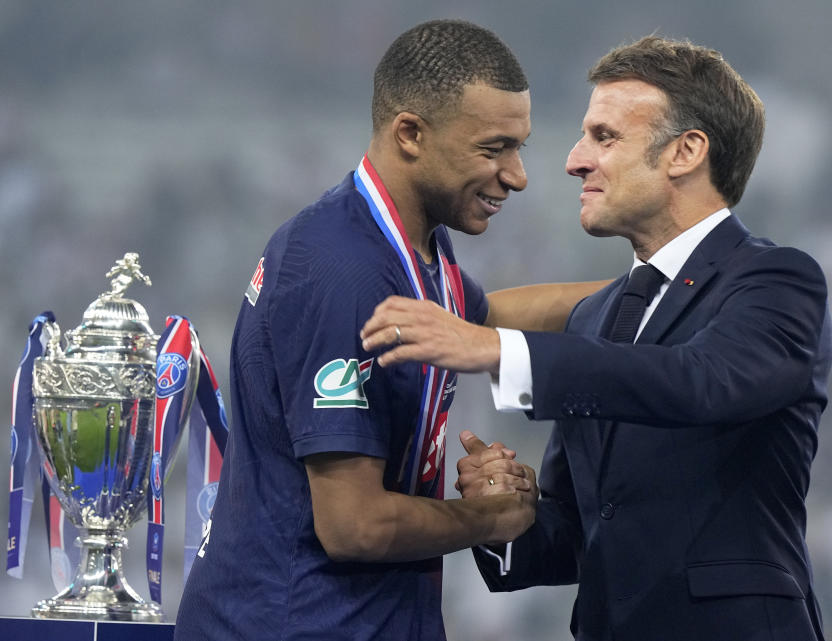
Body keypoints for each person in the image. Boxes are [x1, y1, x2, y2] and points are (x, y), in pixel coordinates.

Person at [361, 35, 832, 641]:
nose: (574, 160)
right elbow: (579, 531)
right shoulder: (599, 317)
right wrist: (505, 515)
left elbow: (702, 382)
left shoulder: (775, 279)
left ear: (686, 151)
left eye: (605, 137)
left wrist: (498, 347)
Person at [174, 19, 604, 641]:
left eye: (519, 148)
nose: (517, 175)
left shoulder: (411, 246)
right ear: (411, 134)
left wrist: (661, 289)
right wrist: (488, 518)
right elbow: (355, 526)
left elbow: (487, 318)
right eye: (493, 149)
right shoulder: (342, 272)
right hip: (295, 624)